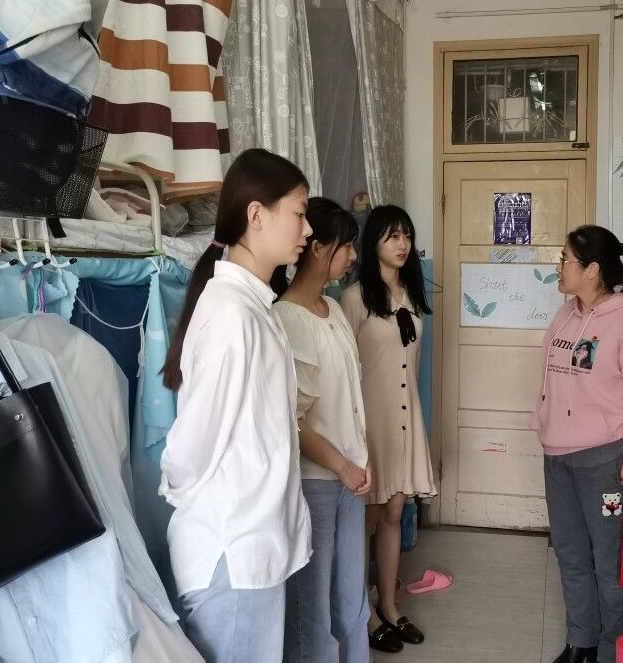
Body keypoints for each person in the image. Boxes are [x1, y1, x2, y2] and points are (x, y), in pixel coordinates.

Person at [158, 149, 313, 663]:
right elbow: (191, 446)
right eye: (299, 213)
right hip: (232, 547)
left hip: (250, 543)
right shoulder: (231, 314)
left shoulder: (252, 307)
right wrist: (196, 506)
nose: (307, 229)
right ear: (256, 215)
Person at [535, 225, 623, 663]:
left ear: (592, 270)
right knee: (571, 555)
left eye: (565, 260)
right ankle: (581, 642)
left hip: (606, 464)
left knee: (610, 563)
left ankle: (613, 651)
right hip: (559, 459)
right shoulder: (565, 315)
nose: (559, 267)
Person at [273, 197, 372, 662]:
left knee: (351, 596)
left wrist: (360, 463)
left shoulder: (332, 309)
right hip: (317, 481)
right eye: (346, 246)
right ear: (317, 248)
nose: (352, 256)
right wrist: (342, 466)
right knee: (312, 603)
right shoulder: (287, 319)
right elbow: (290, 422)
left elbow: (348, 399)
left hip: (351, 477)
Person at [341, 205, 437, 655]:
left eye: (407, 236)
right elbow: (345, 371)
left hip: (404, 417)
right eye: (392, 236)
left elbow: (410, 365)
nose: (402, 244)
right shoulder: (354, 298)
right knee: (367, 516)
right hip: (369, 420)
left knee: (396, 512)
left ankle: (390, 606)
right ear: (373, 242)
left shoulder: (413, 297)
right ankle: (363, 612)